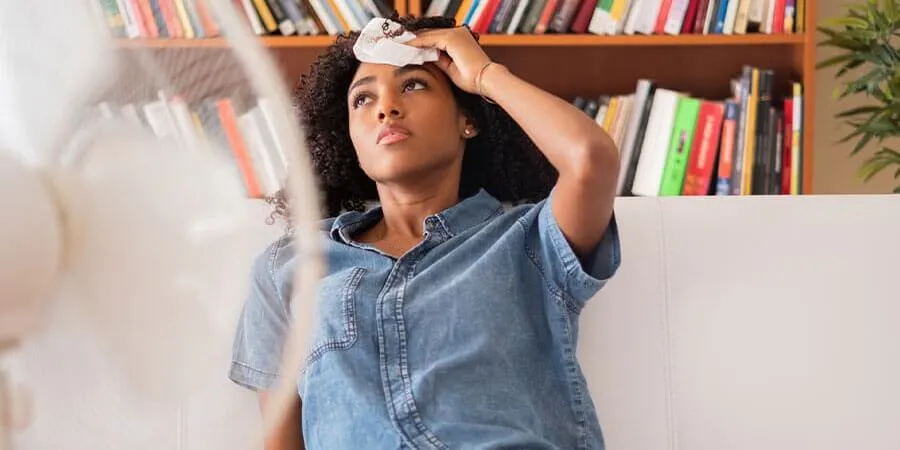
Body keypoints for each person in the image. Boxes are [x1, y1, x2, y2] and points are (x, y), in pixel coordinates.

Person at [229, 13, 622, 450]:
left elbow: (589, 159)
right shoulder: (290, 264)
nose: (386, 107)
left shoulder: (530, 241)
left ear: (466, 121)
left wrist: (484, 74)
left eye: (413, 85)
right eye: (362, 100)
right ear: (350, 138)